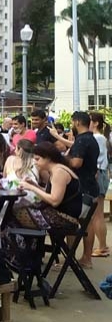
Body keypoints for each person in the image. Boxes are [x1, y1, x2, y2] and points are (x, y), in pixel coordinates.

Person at [16, 142, 82, 230]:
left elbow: (54, 201)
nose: (35, 163)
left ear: (48, 158)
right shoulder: (56, 170)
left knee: (16, 213)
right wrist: (34, 185)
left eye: (37, 159)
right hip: (61, 215)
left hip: (64, 218)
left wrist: (31, 188)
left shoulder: (58, 172)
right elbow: (50, 194)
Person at [66, 111, 100, 267]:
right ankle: (87, 258)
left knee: (71, 220)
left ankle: (70, 258)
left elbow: (77, 163)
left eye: (73, 122)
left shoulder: (81, 140)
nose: (72, 125)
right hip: (91, 186)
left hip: (81, 188)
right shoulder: (92, 139)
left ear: (78, 122)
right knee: (88, 223)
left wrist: (64, 159)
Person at [89, 112, 109, 258]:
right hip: (100, 173)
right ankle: (102, 245)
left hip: (98, 173)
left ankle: (102, 246)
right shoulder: (99, 137)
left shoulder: (98, 137)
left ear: (95, 123)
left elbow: (96, 157)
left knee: (97, 214)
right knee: (97, 213)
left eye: (89, 121)